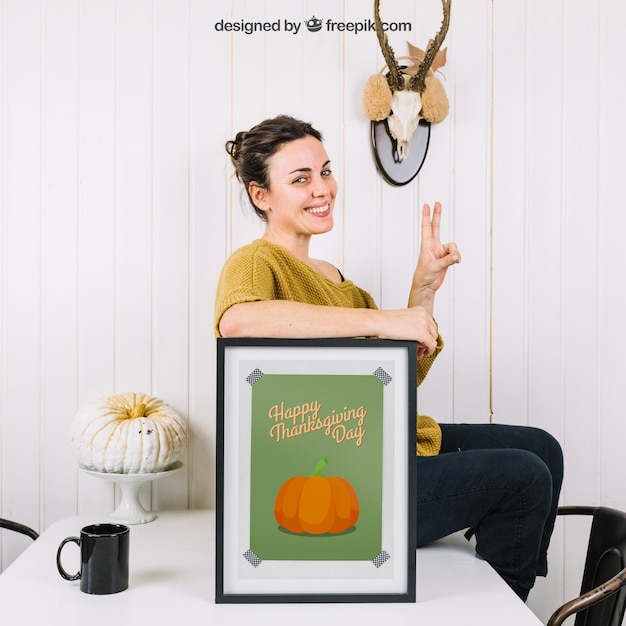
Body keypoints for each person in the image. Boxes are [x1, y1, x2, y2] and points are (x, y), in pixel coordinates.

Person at [214, 114, 563, 601]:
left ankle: (505, 594)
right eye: (300, 179)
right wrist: (383, 320)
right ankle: (500, 610)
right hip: (339, 477)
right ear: (261, 195)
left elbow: (396, 382)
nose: (322, 189)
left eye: (326, 171)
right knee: (524, 475)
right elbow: (238, 322)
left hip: (383, 441)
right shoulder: (255, 262)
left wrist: (421, 291)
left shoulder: (339, 282)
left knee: (543, 448)